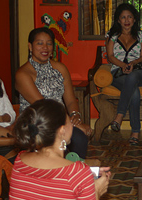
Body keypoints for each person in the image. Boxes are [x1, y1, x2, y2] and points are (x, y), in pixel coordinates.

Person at [15, 27, 92, 159]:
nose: (45, 47)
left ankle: (72, 173)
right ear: (30, 46)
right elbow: (45, 107)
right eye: (40, 43)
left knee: (79, 138)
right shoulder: (23, 74)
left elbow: (71, 100)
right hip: (38, 123)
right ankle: (62, 173)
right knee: (78, 137)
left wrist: (75, 116)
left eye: (49, 43)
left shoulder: (60, 68)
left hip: (61, 120)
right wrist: (72, 125)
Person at [106, 3, 142, 146]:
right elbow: (110, 56)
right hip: (117, 73)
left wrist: (132, 63)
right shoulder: (112, 36)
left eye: (129, 17)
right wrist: (123, 65)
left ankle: (119, 116)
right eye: (123, 17)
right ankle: (135, 132)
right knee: (134, 92)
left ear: (134, 19)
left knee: (132, 77)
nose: (126, 20)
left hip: (139, 72)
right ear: (118, 20)